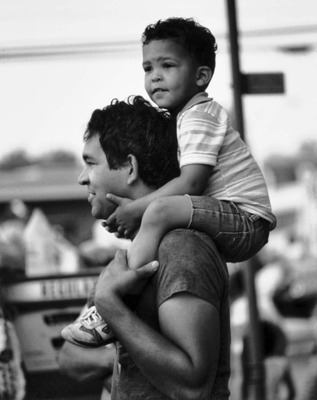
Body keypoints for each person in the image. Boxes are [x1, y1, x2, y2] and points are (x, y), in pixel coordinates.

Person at [63, 17, 277, 348]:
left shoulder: (197, 117)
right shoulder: (184, 120)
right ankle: (117, 297)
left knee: (160, 213)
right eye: (148, 68)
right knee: (160, 216)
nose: (155, 77)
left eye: (168, 65)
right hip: (235, 218)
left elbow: (191, 181)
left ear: (201, 76)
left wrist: (138, 209)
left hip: (245, 219)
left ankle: (116, 304)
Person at [63, 96, 231, 399]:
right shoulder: (129, 257)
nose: (81, 178)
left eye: (90, 162)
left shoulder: (182, 248)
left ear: (129, 167)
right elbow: (70, 353)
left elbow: (193, 388)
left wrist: (111, 306)